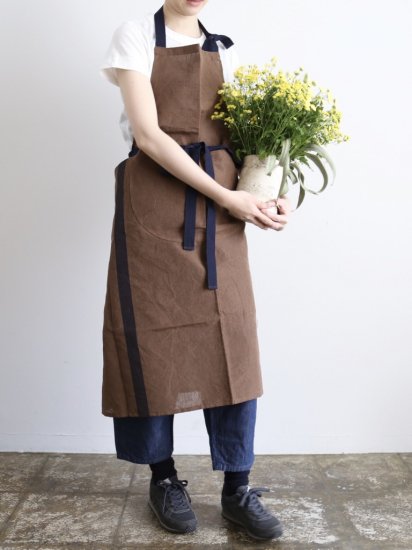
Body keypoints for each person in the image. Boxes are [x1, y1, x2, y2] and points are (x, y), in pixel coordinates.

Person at [100, 0, 291, 541]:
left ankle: (237, 489)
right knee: (150, 339)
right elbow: (149, 135)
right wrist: (227, 197)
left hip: (221, 208)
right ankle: (163, 479)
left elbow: (252, 143)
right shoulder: (136, 36)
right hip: (155, 204)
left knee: (235, 339)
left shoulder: (228, 49)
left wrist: (271, 196)